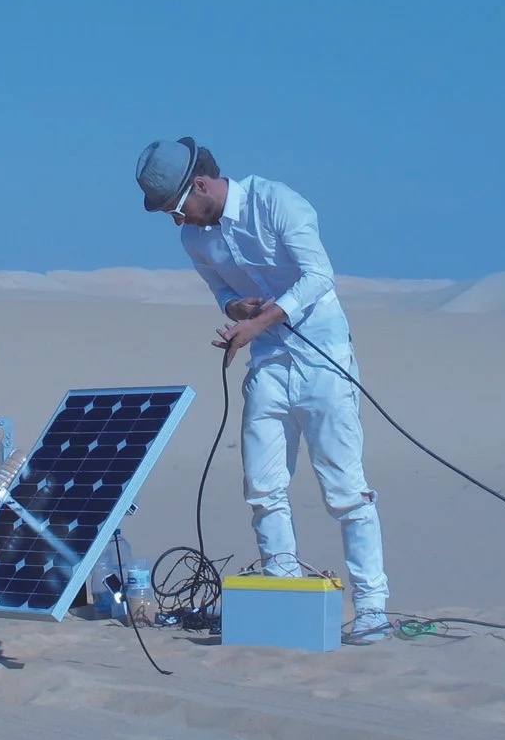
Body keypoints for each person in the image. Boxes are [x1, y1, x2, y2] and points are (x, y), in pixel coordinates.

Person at [135, 137, 392, 643]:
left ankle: (372, 607)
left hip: (324, 358)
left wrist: (265, 320)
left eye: (176, 206)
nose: (176, 220)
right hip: (268, 362)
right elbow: (222, 293)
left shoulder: (276, 202)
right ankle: (283, 587)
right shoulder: (194, 240)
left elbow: (320, 275)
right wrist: (238, 312)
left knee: (344, 488)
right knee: (263, 484)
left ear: (202, 185)